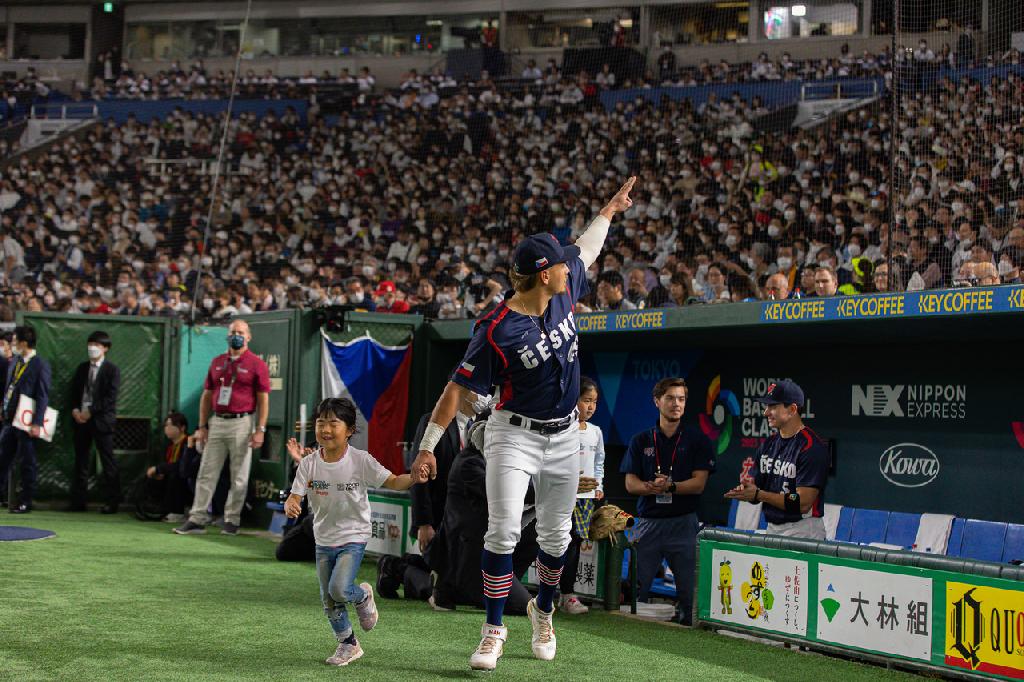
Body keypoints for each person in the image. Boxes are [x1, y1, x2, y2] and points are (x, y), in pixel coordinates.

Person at [409, 177, 635, 671]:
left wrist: (610, 209)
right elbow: (457, 391)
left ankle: (543, 611)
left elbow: (587, 249)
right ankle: (493, 630)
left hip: (564, 435)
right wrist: (428, 447)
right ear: (542, 274)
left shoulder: (562, 287)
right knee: (502, 532)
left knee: (556, 538)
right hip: (512, 433)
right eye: (558, 261)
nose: (568, 263)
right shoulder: (495, 329)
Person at [284, 397, 424, 667]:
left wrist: (414, 477)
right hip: (323, 540)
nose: (325, 429)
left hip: (353, 537)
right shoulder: (309, 463)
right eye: (320, 423)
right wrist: (292, 503)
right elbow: (295, 495)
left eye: (333, 423)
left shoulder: (360, 461)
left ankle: (362, 596)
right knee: (329, 600)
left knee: (338, 589)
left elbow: (394, 481)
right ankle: (348, 644)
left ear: (349, 430)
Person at [620, 377, 714, 626]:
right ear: (657, 401)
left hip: (684, 524)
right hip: (649, 522)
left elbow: (699, 483)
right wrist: (650, 487)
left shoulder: (697, 440)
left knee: (690, 597)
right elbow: (631, 484)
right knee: (633, 592)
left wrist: (671, 486)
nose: (676, 404)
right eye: (670, 398)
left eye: (681, 399)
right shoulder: (641, 440)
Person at [175, 319, 270, 536]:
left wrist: (260, 429)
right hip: (217, 421)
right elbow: (206, 395)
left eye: (240, 332)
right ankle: (197, 518)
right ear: (227, 335)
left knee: (239, 475)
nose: (236, 335)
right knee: (206, 471)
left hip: (243, 421)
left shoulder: (257, 364)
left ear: (248, 337)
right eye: (233, 331)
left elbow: (263, 399)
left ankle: (232, 520)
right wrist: (202, 426)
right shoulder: (218, 361)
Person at [725, 380, 829, 539]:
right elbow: (757, 487)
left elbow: (802, 502)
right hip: (772, 528)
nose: (766, 412)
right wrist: (748, 491)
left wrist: (760, 495)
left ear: (792, 409)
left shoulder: (811, 447)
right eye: (766, 407)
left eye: (773, 406)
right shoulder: (768, 444)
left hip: (804, 531)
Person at [409, 390, 485, 554]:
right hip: (440, 519)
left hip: (474, 521)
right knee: (437, 574)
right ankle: (397, 568)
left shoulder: (487, 426)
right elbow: (419, 476)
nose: (484, 395)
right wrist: (424, 523)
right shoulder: (432, 423)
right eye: (479, 390)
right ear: (462, 390)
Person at [559, 377, 605, 615]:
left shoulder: (596, 432)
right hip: (560, 493)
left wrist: (599, 486)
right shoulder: (562, 428)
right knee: (558, 542)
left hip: (586, 498)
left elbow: (599, 462)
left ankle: (567, 595)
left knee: (576, 543)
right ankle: (547, 591)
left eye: (594, 402)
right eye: (586, 400)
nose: (590, 406)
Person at [68, 331, 122, 513]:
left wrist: (90, 411)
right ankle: (78, 501)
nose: (92, 348)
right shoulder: (82, 368)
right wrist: (76, 410)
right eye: (90, 344)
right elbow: (74, 391)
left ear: (105, 348)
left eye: (97, 345)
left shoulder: (112, 370)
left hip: (101, 421)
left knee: (108, 461)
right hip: (80, 420)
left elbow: (110, 398)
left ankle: (112, 502)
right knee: (81, 461)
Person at [0, 325, 52, 514]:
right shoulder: (15, 362)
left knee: (26, 462)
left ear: (23, 343)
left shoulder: (40, 365)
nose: (12, 345)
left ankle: (25, 500)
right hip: (9, 418)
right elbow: (9, 388)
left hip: (26, 422)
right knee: (3, 458)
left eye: (14, 341)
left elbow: (42, 395)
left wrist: (37, 423)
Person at [146, 412, 195, 523]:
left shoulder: (189, 443)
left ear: (182, 428)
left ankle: (179, 511)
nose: (167, 429)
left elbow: (182, 466)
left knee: (176, 475)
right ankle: (162, 508)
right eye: (166, 426)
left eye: (171, 425)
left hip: (188, 481)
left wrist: (159, 468)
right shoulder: (170, 446)